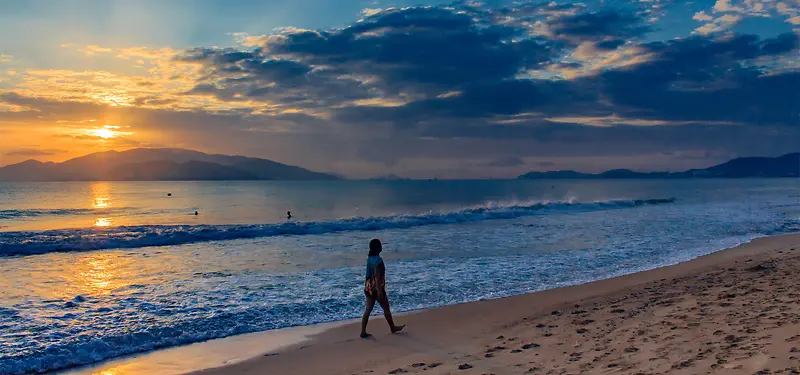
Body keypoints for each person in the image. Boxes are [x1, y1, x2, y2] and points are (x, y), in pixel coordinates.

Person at [361, 238, 405, 338]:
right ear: (377, 248)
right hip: (377, 288)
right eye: (380, 245)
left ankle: (363, 331)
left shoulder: (369, 258)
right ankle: (392, 327)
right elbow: (377, 276)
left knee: (368, 309)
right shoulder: (378, 260)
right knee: (386, 308)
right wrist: (380, 291)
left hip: (368, 287)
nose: (382, 246)